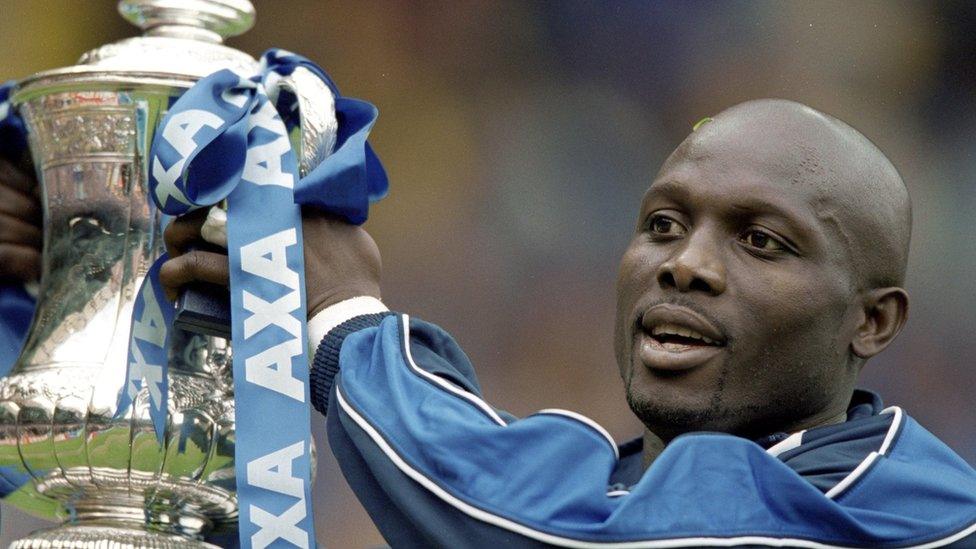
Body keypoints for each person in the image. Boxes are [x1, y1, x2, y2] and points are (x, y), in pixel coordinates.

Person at [5, 99, 976, 547]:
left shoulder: (906, 509)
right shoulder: (635, 486)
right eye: (664, 224)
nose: (684, 262)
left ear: (872, 323)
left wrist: (344, 319)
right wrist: (108, 266)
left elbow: (571, 534)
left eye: (761, 242)